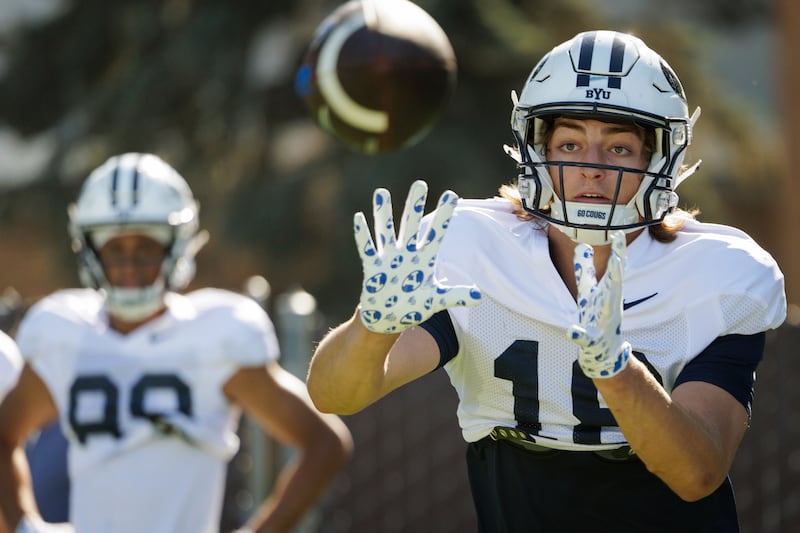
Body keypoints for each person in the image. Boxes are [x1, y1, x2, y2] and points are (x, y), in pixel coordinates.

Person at [306, 30, 787, 532]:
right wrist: (372, 327)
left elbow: (697, 474)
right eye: (570, 143)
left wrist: (617, 372)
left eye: (619, 147)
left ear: (659, 159)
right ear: (537, 151)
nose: (592, 168)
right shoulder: (475, 246)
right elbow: (336, 396)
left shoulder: (719, 271)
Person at [0, 153, 353, 533]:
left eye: (146, 247)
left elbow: (324, 443)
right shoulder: (65, 334)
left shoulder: (215, 336)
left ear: (176, 245)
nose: (130, 264)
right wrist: (25, 525)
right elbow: (4, 437)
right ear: (90, 248)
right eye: (115, 248)